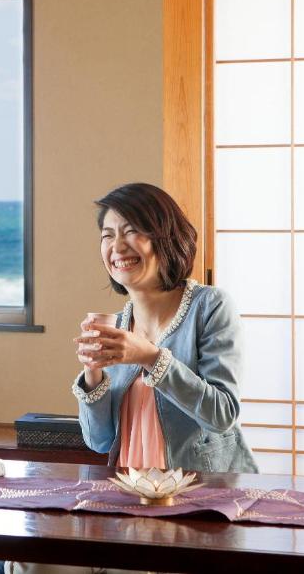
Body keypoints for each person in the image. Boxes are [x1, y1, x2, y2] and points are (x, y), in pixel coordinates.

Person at [72, 182, 257, 473]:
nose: (117, 246)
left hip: (204, 494)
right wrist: (92, 372)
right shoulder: (118, 327)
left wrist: (150, 357)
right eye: (108, 235)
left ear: (165, 237)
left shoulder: (210, 307)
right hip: (133, 492)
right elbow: (100, 441)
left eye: (131, 231)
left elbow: (222, 415)